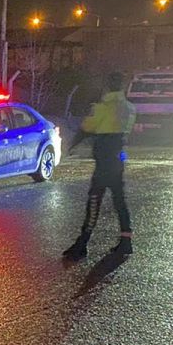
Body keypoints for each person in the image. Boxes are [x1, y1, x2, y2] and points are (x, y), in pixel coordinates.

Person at [62, 71, 136, 260]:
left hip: (103, 160)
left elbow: (87, 128)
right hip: (118, 158)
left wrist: (73, 144)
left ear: (107, 85)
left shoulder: (102, 107)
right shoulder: (130, 108)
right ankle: (126, 240)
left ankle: (83, 243)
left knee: (94, 200)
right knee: (120, 200)